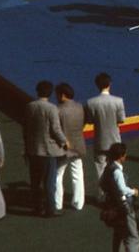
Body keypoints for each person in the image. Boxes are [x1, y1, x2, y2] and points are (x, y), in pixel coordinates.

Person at [24, 80, 68, 216]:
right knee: (49, 182)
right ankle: (50, 209)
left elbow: (25, 128)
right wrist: (64, 141)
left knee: (35, 182)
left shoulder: (30, 106)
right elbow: (55, 129)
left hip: (33, 149)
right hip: (48, 151)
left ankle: (37, 207)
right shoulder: (51, 108)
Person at [85, 73, 126, 198]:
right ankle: (119, 193)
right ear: (109, 84)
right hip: (115, 140)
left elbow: (90, 120)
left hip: (100, 140)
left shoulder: (91, 102)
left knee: (100, 169)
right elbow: (121, 119)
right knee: (117, 169)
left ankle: (103, 195)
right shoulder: (118, 101)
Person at [99, 143, 139, 252]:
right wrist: (133, 191)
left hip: (113, 206)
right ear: (121, 156)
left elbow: (101, 183)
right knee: (132, 236)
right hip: (124, 207)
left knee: (119, 234)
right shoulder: (117, 171)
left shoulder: (108, 168)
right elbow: (122, 189)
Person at [55, 82, 86, 211]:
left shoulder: (58, 110)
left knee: (57, 175)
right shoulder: (80, 107)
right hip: (78, 145)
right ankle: (78, 203)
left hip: (63, 148)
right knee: (78, 174)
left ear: (62, 95)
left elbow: (55, 129)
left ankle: (57, 203)